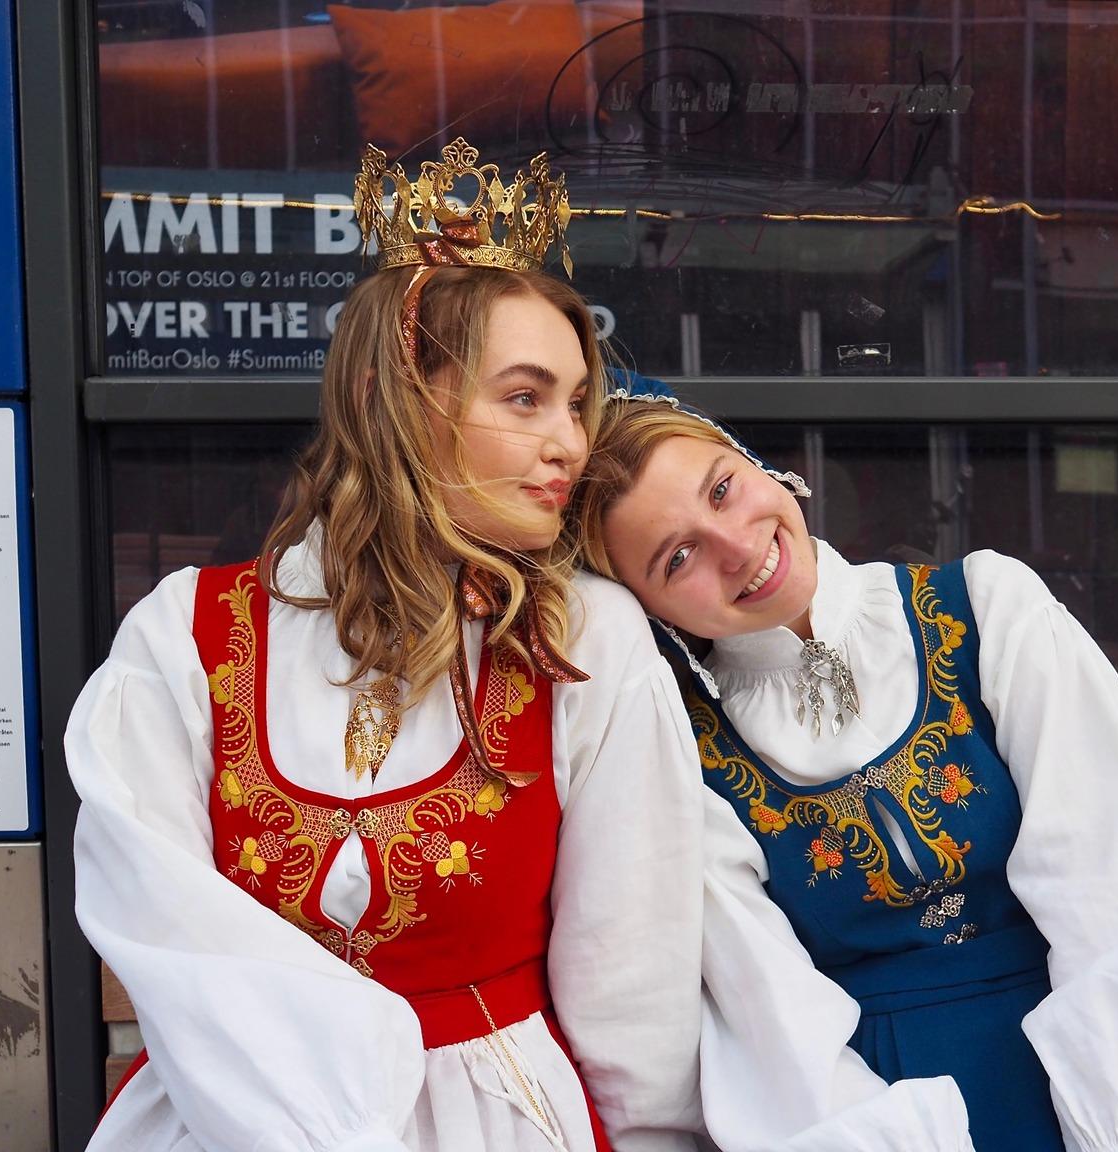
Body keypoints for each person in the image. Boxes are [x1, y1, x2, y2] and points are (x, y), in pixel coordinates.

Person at [69, 141, 971, 1152]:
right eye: (524, 398)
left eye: (575, 404)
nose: (569, 445)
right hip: (241, 1125)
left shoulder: (581, 638)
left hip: (499, 1122)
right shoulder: (183, 638)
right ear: (403, 401)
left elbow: (628, 988)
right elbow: (167, 931)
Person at [569, 382, 1118, 1152]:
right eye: (678, 557)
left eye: (722, 489)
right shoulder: (689, 763)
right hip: (900, 1107)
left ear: (756, 465)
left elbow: (1109, 883)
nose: (735, 546)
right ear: (650, 611)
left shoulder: (988, 609)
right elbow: (776, 1019)